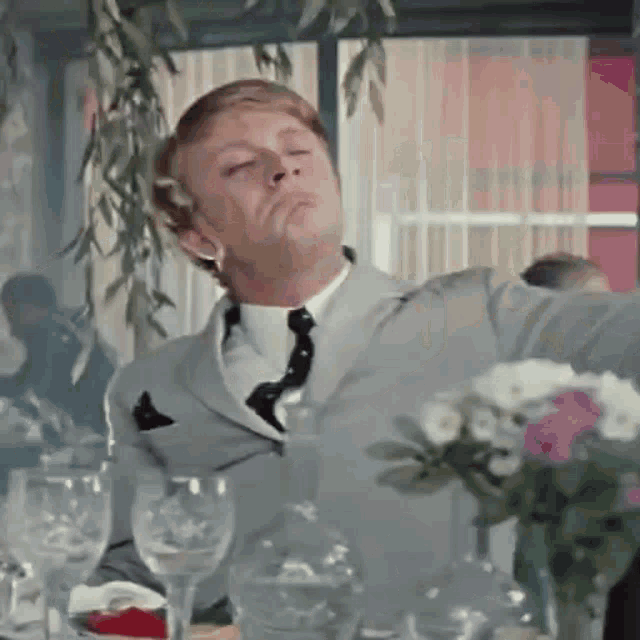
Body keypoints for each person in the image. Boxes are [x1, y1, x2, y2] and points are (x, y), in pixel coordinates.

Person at [88, 78, 640, 633]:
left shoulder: (483, 312)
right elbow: (129, 575)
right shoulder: (149, 388)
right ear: (198, 237)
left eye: (298, 151)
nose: (283, 170)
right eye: (240, 166)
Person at [0, 273, 116, 443]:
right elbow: (24, 383)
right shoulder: (55, 332)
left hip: (95, 436)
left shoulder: (59, 338)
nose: (12, 329)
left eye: (13, 314)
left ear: (30, 308)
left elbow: (39, 388)